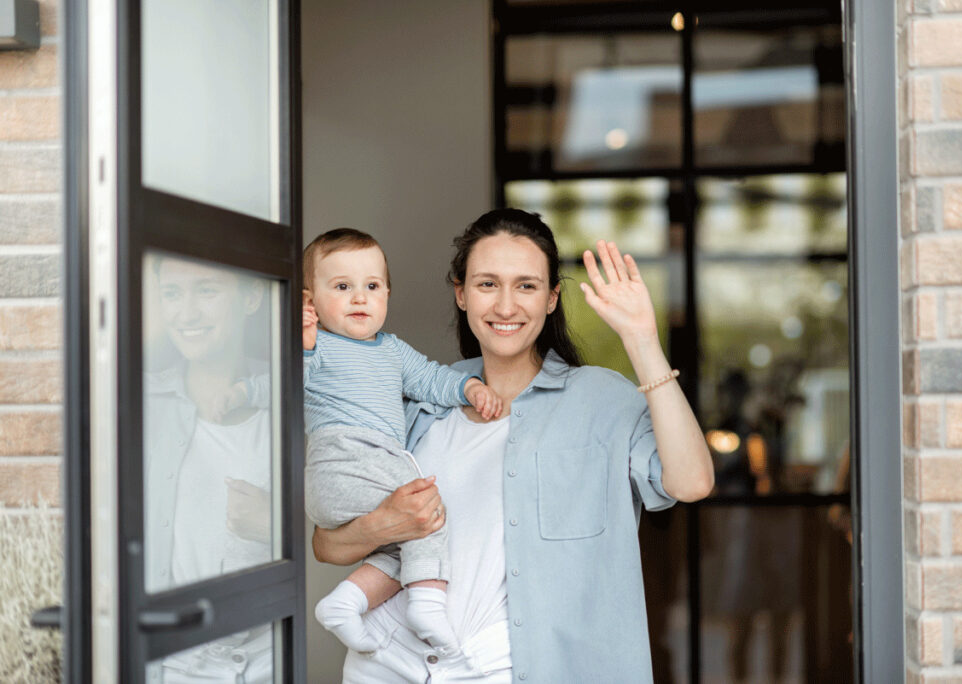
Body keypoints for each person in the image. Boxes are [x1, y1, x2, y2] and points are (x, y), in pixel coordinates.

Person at [312, 209, 714, 683]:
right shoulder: (420, 400)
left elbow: (691, 483)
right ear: (461, 294)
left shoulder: (602, 400)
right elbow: (327, 544)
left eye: (526, 285)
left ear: (551, 298)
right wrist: (385, 523)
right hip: (388, 665)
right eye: (487, 284)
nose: (506, 306)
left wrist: (642, 339)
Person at [301, 229, 503, 656]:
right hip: (347, 458)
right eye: (342, 287)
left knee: (403, 543)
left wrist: (468, 387)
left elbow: (430, 378)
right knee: (427, 512)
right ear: (309, 302)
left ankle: (346, 602)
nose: (360, 298)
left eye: (372, 287)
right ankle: (428, 606)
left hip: (357, 474)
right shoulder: (315, 347)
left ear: (387, 294)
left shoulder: (391, 350)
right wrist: (298, 346)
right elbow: (282, 385)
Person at [143, 255, 274, 683]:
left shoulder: (296, 395)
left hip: (273, 660)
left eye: (207, 290)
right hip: (175, 663)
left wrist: (277, 525)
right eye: (172, 294)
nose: (187, 313)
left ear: (252, 296)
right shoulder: (137, 403)